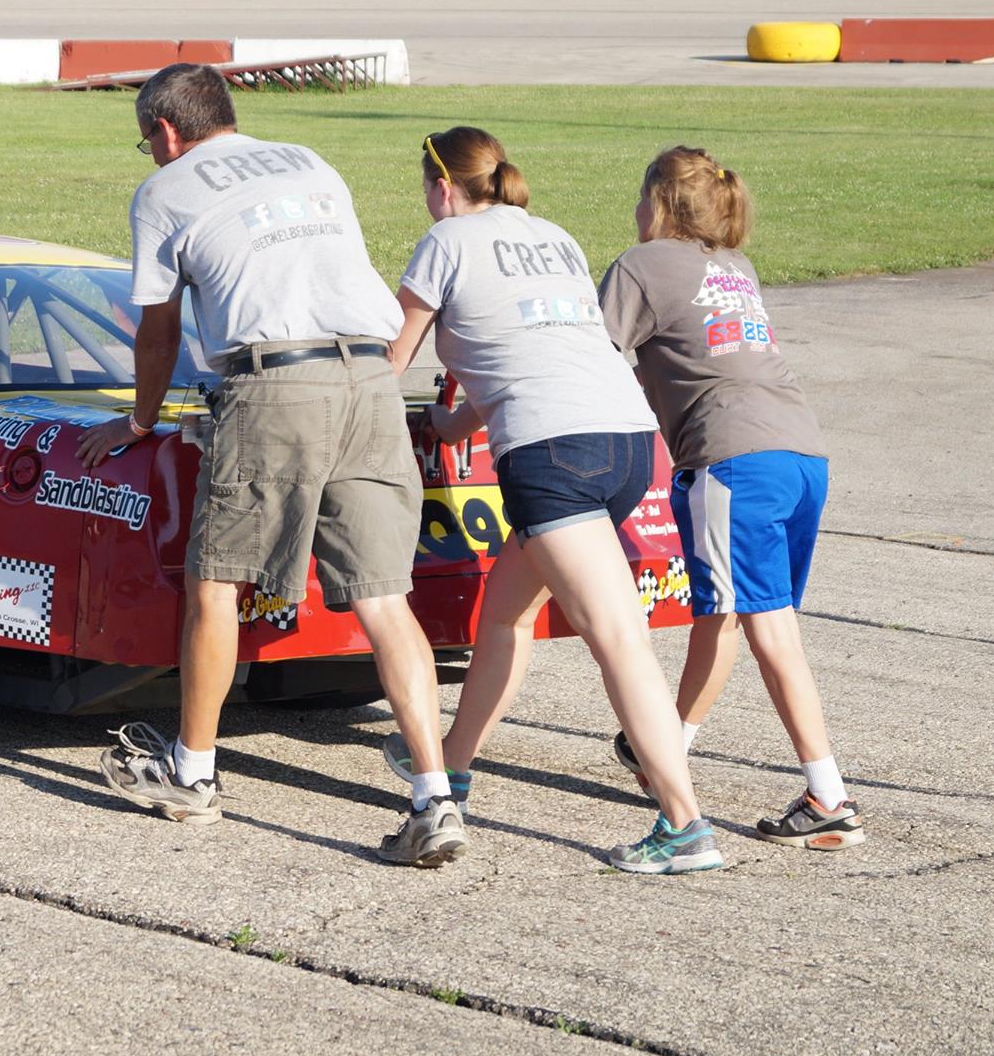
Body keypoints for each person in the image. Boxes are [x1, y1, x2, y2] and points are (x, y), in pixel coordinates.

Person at [80, 65, 463, 867]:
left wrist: (140, 420)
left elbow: (158, 330)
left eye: (145, 137)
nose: (149, 152)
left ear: (167, 130)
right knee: (386, 599)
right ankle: (435, 795)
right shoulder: (307, 157)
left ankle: (193, 773)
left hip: (278, 380)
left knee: (216, 578)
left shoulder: (165, 190)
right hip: (371, 375)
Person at [381, 126, 723, 875]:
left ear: (443, 186)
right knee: (505, 613)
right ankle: (450, 768)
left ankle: (685, 823)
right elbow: (534, 349)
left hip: (551, 451)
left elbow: (392, 357)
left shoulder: (446, 240)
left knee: (617, 635)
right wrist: (453, 422)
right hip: (628, 441)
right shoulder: (555, 236)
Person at [598, 148, 862, 850]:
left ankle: (827, 792)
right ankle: (662, 749)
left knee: (767, 626)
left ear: (660, 203)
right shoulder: (733, 267)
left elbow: (592, 357)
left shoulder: (641, 263)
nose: (634, 212)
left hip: (732, 458)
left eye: (640, 197)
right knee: (732, 613)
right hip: (801, 453)